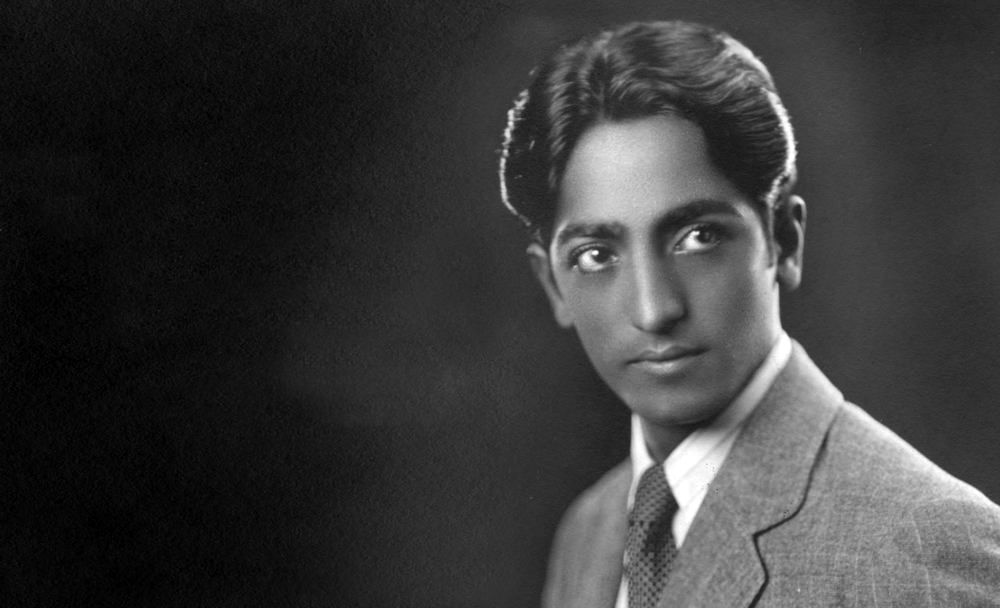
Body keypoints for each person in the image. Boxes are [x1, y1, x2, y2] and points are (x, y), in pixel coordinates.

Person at [498, 20, 1000, 607]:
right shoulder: (592, 529)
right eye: (595, 255)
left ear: (784, 240)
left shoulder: (921, 545)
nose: (655, 310)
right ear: (553, 285)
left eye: (698, 236)